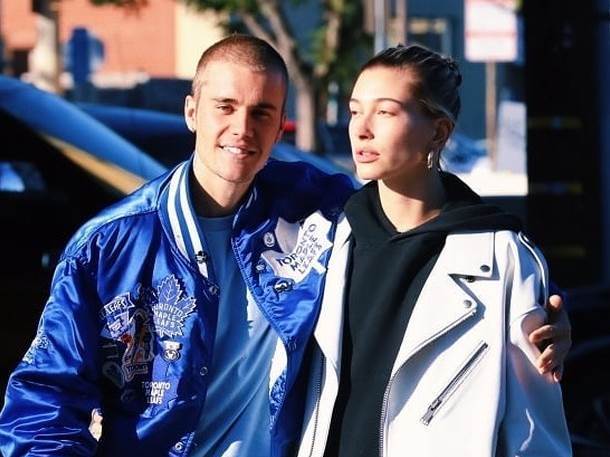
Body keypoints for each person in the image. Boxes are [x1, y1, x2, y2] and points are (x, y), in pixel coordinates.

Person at [0, 36, 569, 456]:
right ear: (191, 111)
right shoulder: (109, 246)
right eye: (225, 107)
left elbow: (425, 224)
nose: (242, 128)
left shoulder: (317, 210)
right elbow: (43, 401)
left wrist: (530, 310)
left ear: (280, 127)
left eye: (262, 113)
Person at [297, 44, 572, 457]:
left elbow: (535, 432)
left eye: (385, 112)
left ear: (439, 132)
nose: (361, 129)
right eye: (355, 111)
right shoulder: (324, 239)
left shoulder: (501, 256)